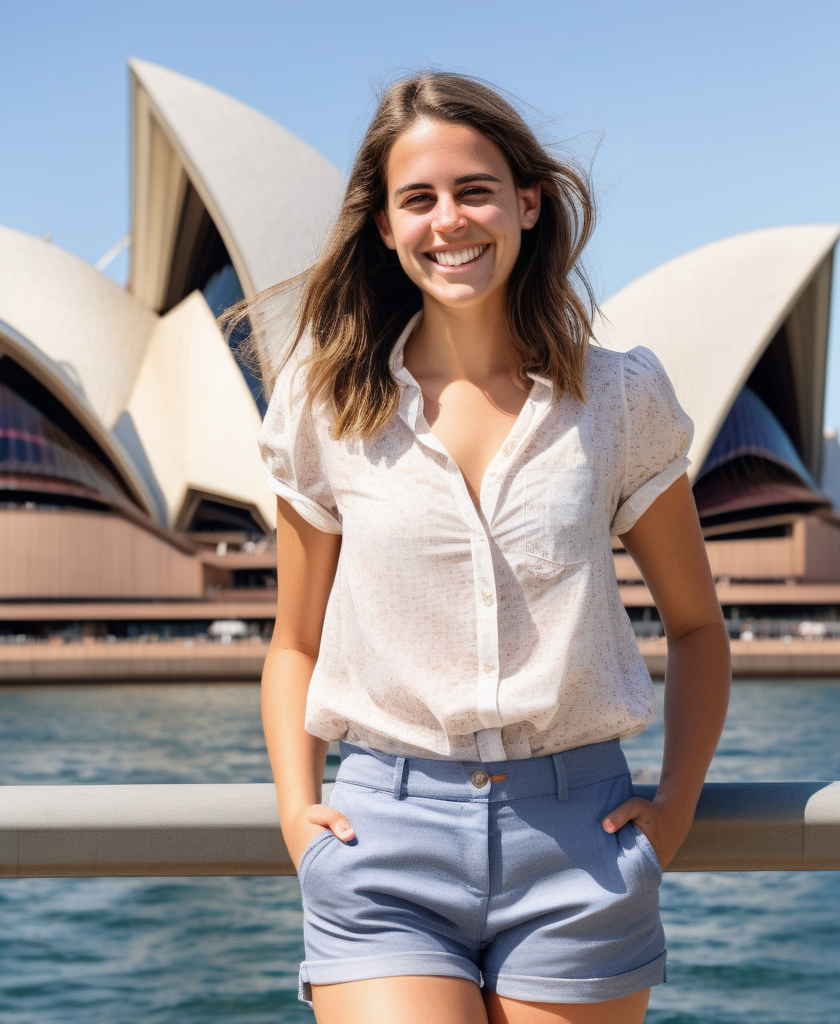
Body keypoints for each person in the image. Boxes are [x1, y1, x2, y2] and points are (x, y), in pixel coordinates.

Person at [253, 71, 731, 1024]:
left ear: (527, 201)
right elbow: (294, 643)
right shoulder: (326, 407)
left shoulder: (620, 400)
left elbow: (696, 628)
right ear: (384, 228)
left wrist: (674, 807)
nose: (449, 221)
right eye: (417, 199)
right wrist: (295, 812)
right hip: (381, 838)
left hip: (581, 836)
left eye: (474, 190)